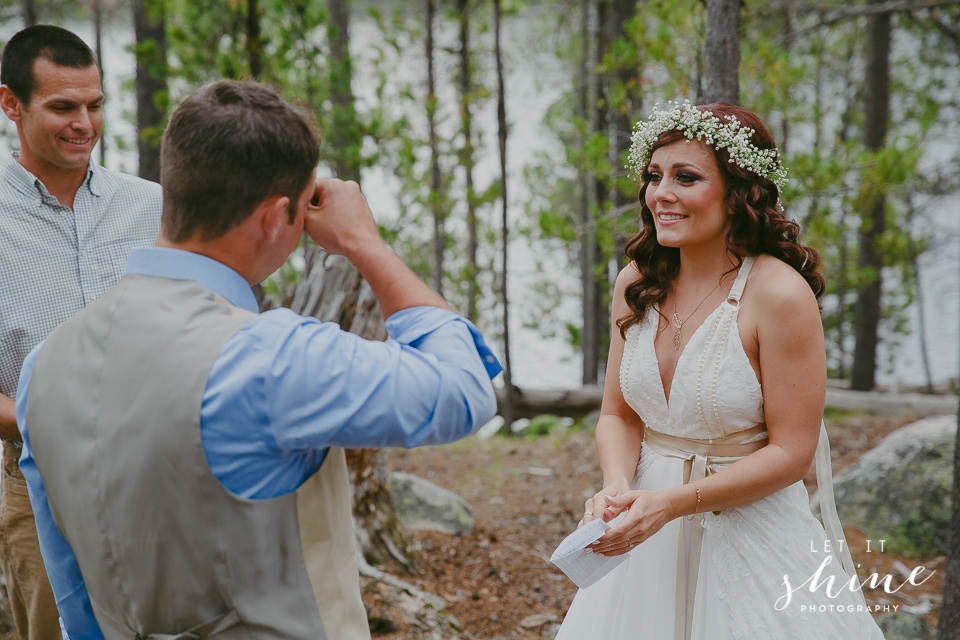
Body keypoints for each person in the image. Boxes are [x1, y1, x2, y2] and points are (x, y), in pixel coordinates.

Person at [16, 80, 500, 640]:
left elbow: (72, 588)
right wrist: (365, 243)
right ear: (276, 219)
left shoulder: (44, 366)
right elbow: (462, 391)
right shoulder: (271, 358)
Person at [555, 102, 885, 639]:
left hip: (747, 528)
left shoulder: (778, 295)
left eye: (687, 177)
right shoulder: (636, 281)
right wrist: (616, 489)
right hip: (644, 527)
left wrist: (671, 504)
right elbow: (618, 414)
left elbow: (791, 452)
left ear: (740, 193)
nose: (662, 193)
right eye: (654, 176)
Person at [0, 25, 161, 640]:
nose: (84, 124)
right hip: (39, 483)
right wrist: (44, 425)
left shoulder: (151, 206)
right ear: (11, 104)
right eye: (63, 107)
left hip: (155, 476)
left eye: (94, 105)